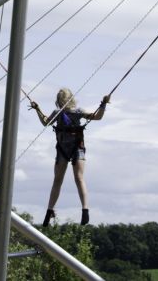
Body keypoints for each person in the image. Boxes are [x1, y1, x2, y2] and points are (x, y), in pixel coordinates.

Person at [30, 88, 109, 227]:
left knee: (62, 180)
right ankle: (58, 211)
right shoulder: (65, 112)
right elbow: (97, 116)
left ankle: (76, 210)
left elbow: (46, 122)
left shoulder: (72, 112)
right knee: (76, 179)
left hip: (71, 148)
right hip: (70, 149)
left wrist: (103, 104)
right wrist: (38, 109)